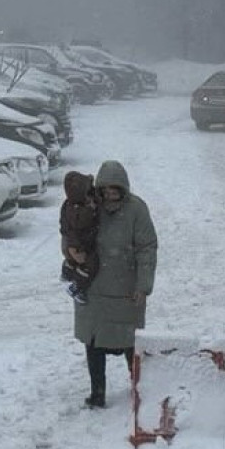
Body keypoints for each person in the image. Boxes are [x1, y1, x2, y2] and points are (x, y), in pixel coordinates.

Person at [73, 160, 157, 409]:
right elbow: (71, 233)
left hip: (125, 289)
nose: (109, 195)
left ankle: (140, 388)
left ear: (123, 189)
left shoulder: (137, 210)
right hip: (94, 288)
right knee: (94, 342)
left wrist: (143, 285)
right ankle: (97, 392)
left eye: (114, 189)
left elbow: (147, 248)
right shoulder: (90, 208)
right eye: (105, 189)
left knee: (130, 341)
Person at [59, 171, 100, 303]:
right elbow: (77, 227)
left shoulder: (69, 205)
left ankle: (68, 269)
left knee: (78, 261)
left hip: (79, 242)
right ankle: (78, 286)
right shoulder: (80, 210)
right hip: (83, 244)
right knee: (90, 265)